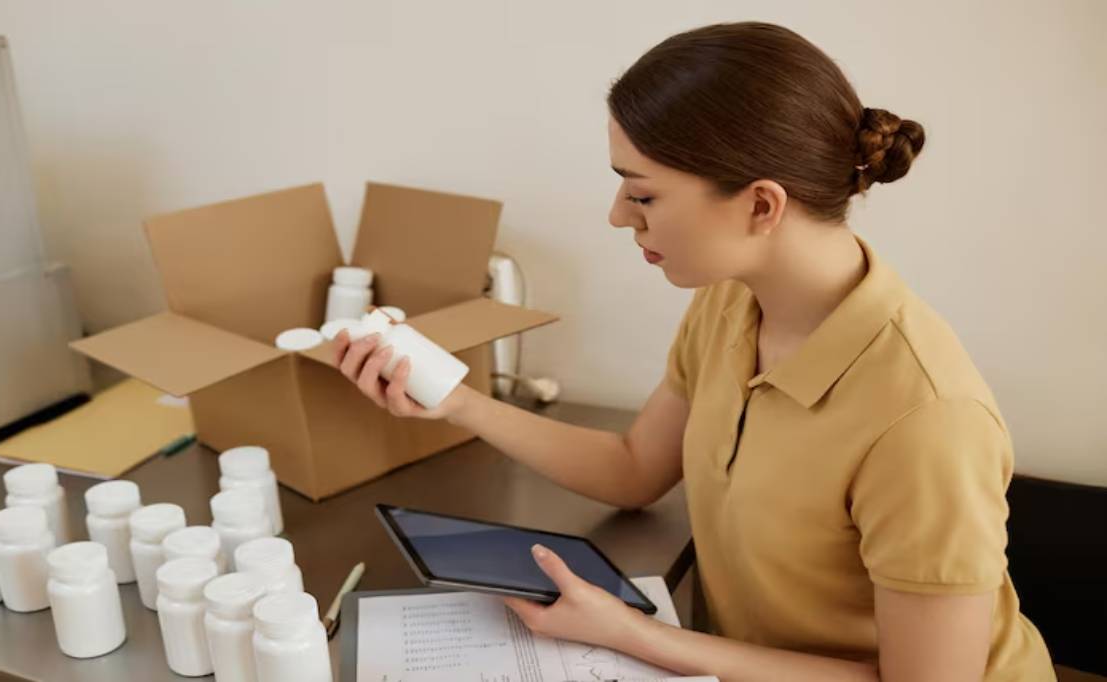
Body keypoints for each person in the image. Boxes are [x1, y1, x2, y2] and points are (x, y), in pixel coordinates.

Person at [333, 21, 1054, 682]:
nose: (618, 216)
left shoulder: (924, 420)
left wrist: (636, 636)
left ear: (760, 206)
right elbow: (634, 471)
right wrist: (454, 400)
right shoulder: (731, 302)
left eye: (641, 195)